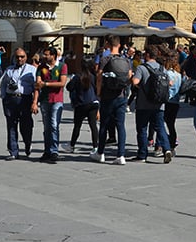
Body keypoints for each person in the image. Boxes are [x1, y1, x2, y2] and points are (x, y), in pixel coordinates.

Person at [89, 36, 131, 165]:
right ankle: (121, 155)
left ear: (108, 44)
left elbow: (99, 77)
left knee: (104, 125)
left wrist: (99, 93)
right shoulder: (126, 60)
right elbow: (129, 76)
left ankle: (100, 153)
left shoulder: (105, 59)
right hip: (121, 96)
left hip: (108, 96)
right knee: (120, 126)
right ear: (119, 45)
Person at [130, 45, 173, 163]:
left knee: (142, 129)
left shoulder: (141, 68)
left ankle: (142, 155)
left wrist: (135, 81)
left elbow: (135, 82)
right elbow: (170, 83)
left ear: (147, 55)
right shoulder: (161, 68)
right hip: (159, 104)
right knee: (160, 128)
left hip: (144, 104)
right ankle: (167, 149)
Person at [0, 48, 36, 160]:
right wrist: (3, 96)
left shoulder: (32, 70)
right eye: (17, 57)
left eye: (22, 57)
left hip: (25, 99)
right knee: (11, 125)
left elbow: (36, 86)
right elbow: (3, 83)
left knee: (26, 126)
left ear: (26, 57)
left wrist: (35, 102)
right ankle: (13, 151)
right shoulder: (9, 70)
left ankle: (27, 143)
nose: (19, 59)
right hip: (10, 100)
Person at [34, 46, 66, 164]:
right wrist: (35, 102)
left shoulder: (62, 66)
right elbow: (38, 83)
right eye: (44, 54)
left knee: (53, 125)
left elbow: (62, 83)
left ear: (53, 56)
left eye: (47, 54)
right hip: (44, 100)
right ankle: (47, 150)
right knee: (46, 127)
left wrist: (46, 84)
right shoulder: (42, 67)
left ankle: (54, 151)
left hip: (57, 100)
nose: (44, 56)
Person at [66, 60, 99, 153]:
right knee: (93, 125)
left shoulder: (78, 77)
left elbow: (69, 87)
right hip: (93, 102)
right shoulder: (93, 77)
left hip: (81, 103)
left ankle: (72, 145)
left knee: (77, 126)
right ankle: (95, 146)